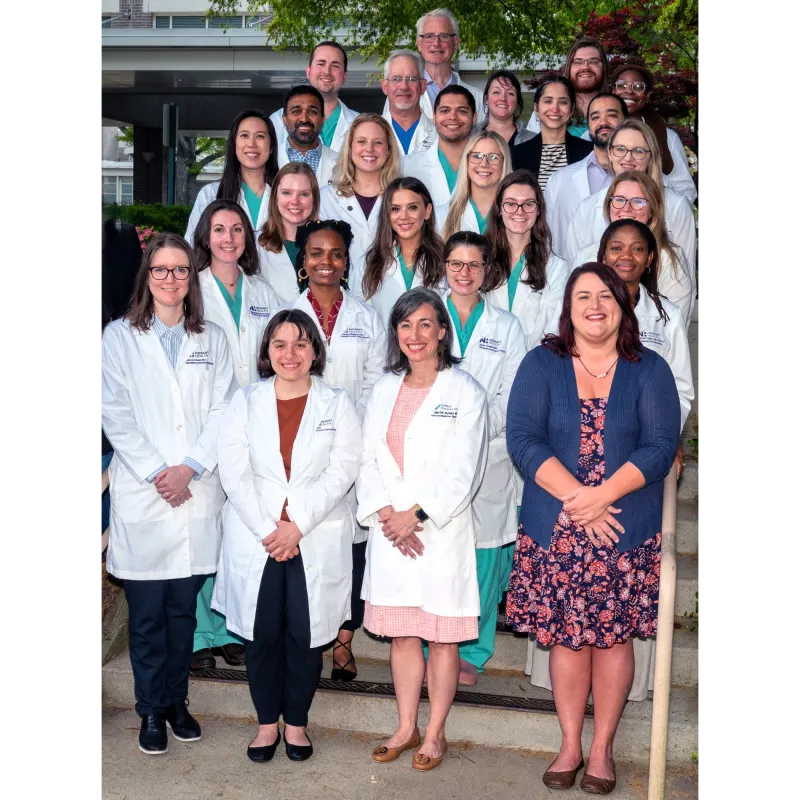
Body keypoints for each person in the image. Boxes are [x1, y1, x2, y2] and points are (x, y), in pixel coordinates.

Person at [505, 263, 680, 794]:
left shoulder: (650, 368)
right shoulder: (542, 363)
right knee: (566, 641)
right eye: (584, 296)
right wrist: (581, 500)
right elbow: (523, 438)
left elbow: (658, 447)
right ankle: (569, 744)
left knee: (612, 642)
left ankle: (601, 748)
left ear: (623, 305)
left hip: (623, 532)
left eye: (606, 295)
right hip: (557, 530)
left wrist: (602, 498)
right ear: (569, 306)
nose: (595, 306)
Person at [100, 233, 237, 755]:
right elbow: (115, 413)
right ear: (147, 275)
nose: (171, 280)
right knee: (149, 618)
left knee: (183, 615)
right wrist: (162, 471)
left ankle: (177, 701)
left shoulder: (213, 338)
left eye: (181, 271)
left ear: (192, 278)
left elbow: (226, 409)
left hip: (196, 493)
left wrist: (191, 467)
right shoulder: (119, 337)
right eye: (161, 270)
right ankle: (150, 710)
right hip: (145, 493)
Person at [213, 309, 362, 763]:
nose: (290, 353)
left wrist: (295, 525)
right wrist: (270, 530)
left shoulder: (336, 403)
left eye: (300, 343)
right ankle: (264, 725)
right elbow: (234, 473)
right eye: (279, 344)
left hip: (311, 535)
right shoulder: (245, 401)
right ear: (267, 352)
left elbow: (343, 470)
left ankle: (295, 723)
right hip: (258, 537)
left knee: (304, 634)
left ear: (315, 351)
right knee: (261, 635)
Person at [357, 287, 489, 771]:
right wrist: (388, 514)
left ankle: (435, 734)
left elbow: (465, 470)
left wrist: (417, 514)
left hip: (438, 531)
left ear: (441, 331)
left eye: (426, 325)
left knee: (443, 637)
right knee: (404, 635)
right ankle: (406, 725)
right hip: (392, 531)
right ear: (396, 333)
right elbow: (366, 457)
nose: (415, 335)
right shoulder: (383, 389)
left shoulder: (465, 391)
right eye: (406, 326)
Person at [281, 220, 387, 680]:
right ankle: (305, 636)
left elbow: (376, 382)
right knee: (310, 544)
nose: (326, 261)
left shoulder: (366, 318)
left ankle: (344, 641)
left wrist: (346, 432)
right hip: (299, 451)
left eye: (336, 253)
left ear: (347, 262)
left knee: (353, 549)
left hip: (355, 448)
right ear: (302, 262)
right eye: (316, 253)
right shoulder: (286, 315)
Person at [189, 200, 281, 670]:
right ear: (205, 237)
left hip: (256, 425)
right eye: (219, 230)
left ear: (247, 237)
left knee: (244, 529)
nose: (228, 238)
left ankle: (231, 629)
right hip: (208, 423)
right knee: (209, 529)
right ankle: (202, 633)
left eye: (236, 230)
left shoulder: (263, 291)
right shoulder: (191, 292)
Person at [442, 232, 526, 685]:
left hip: (490, 454)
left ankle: (473, 650)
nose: (465, 273)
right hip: (435, 456)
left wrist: (468, 427)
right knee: (441, 554)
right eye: (456, 263)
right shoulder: (428, 314)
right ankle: (439, 644)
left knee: (485, 557)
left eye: (474, 264)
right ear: (444, 266)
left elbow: (511, 395)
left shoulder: (507, 326)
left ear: (487, 269)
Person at [564, 119, 697, 278]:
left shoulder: (676, 206)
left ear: (651, 157)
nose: (628, 158)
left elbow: (685, 277)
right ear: (610, 154)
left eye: (638, 151)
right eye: (620, 149)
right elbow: (573, 276)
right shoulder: (587, 209)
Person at [570, 171, 696, 325]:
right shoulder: (585, 255)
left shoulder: (670, 259)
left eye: (638, 201)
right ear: (608, 206)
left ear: (652, 210)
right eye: (619, 200)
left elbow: (671, 325)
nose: (626, 208)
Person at [483, 170, 569, 350]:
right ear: (499, 209)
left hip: (532, 364)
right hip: (485, 363)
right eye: (511, 204)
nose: (519, 211)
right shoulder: (481, 260)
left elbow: (553, 329)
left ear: (538, 210)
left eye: (528, 204)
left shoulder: (557, 268)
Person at [352, 176, 446, 328]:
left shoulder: (445, 261)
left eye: (412, 207)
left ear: (427, 211)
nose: (404, 216)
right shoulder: (369, 263)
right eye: (395, 209)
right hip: (383, 351)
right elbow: (358, 319)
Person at [544, 93, 629, 258]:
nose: (603, 122)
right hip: (569, 278)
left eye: (611, 115)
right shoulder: (559, 180)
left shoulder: (646, 179)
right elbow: (548, 239)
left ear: (626, 121)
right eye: (595, 117)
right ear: (588, 125)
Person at [319, 113, 402, 267]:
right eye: (361, 141)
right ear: (350, 148)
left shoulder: (403, 198)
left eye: (378, 142)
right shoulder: (325, 199)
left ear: (389, 150)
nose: (369, 149)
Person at [185, 110, 279, 245]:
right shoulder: (210, 194)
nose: (251, 144)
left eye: (260, 136)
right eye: (244, 135)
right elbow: (193, 245)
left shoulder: (286, 195)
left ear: (271, 147)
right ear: (234, 144)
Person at [610, 63, 697, 203]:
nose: (629, 91)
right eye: (622, 85)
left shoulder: (668, 137)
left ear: (647, 95)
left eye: (638, 87)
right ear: (613, 91)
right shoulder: (599, 134)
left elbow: (685, 191)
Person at [270, 41, 358, 154]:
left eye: (335, 65)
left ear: (344, 76)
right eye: (321, 64)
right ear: (309, 71)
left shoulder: (359, 123)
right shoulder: (277, 121)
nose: (327, 71)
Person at [511, 78, 593, 190]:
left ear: (572, 109)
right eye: (548, 101)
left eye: (563, 102)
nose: (555, 109)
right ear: (536, 108)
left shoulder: (588, 153)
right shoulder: (517, 155)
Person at [403, 85, 478, 208]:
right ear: (434, 116)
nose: (453, 117)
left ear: (474, 118)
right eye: (444, 110)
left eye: (462, 111)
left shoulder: (489, 167)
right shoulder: (407, 166)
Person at [257, 163, 321, 304]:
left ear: (315, 200)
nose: (295, 201)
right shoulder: (255, 246)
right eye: (286, 193)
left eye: (304, 194)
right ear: (275, 197)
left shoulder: (332, 244)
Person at [526, 36, 610, 137]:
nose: (585, 67)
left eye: (593, 61)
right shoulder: (547, 111)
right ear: (569, 68)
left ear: (604, 67)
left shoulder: (615, 110)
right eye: (578, 62)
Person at [414, 8, 484, 123]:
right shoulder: (402, 94)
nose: (436, 43)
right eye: (429, 36)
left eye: (444, 36)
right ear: (419, 43)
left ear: (455, 43)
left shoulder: (478, 98)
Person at [439, 131, 511, 239]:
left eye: (493, 157)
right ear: (466, 161)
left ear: (504, 163)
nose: (484, 164)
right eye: (477, 156)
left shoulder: (517, 215)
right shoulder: (441, 215)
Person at [277, 85, 339, 187]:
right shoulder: (270, 159)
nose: (304, 119)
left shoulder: (340, 163)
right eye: (296, 112)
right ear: (284, 119)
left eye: (312, 112)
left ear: (323, 120)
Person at [381, 49, 438, 155]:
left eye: (411, 79)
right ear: (385, 87)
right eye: (396, 79)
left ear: (422, 86)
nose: (404, 87)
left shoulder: (439, 135)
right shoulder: (372, 132)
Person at [478, 69, 535, 147]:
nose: (503, 98)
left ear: (517, 102)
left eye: (510, 93)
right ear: (486, 99)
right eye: (496, 92)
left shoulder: (533, 140)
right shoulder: (469, 136)